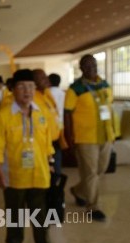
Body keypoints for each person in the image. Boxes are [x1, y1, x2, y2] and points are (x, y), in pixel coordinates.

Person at [0, 69, 61, 243]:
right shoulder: (4, 116)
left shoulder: (41, 112)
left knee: (40, 216)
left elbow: (47, 143)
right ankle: (14, 241)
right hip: (14, 175)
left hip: (39, 172)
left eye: (30, 86)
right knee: (15, 213)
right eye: (22, 86)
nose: (27, 91)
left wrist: (51, 162)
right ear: (13, 89)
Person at [64, 54, 116, 221]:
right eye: (86, 65)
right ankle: (93, 207)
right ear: (81, 68)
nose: (91, 67)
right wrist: (69, 136)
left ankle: (78, 191)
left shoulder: (105, 84)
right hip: (86, 137)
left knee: (101, 169)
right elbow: (67, 114)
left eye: (93, 64)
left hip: (106, 135)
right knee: (91, 173)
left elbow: (109, 108)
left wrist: (114, 131)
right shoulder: (75, 88)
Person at [33, 69, 61, 187]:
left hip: (55, 141)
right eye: (42, 78)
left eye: (46, 77)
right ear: (33, 82)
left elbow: (54, 114)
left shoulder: (47, 94)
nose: (46, 80)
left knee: (56, 173)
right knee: (48, 175)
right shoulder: (33, 98)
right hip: (43, 144)